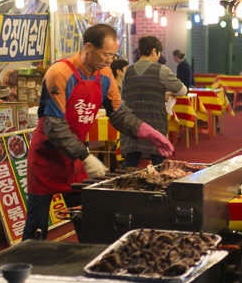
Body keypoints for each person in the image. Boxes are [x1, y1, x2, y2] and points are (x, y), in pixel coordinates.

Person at [23, 24, 174, 240]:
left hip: (76, 161)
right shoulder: (59, 73)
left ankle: (92, 266)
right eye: (106, 54)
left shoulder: (105, 76)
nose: (110, 60)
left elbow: (119, 115)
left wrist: (148, 132)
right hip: (45, 160)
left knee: (89, 220)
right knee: (36, 227)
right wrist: (86, 157)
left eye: (113, 55)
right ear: (88, 47)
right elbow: (53, 126)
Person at [119, 36, 188, 169]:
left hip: (132, 126)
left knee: (130, 164)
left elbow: (123, 101)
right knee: (160, 165)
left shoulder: (128, 72)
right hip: (155, 124)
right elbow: (182, 91)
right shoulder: (162, 70)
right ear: (154, 51)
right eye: (159, 53)